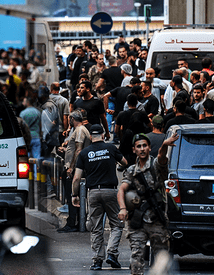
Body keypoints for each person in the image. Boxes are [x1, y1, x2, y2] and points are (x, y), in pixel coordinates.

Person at [117, 132, 178, 275]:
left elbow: (162, 158)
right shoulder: (131, 171)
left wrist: (163, 145)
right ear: (134, 150)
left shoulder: (156, 166)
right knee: (136, 258)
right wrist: (123, 209)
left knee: (161, 260)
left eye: (145, 145)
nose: (142, 149)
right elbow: (121, 190)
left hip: (157, 220)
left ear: (150, 148)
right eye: (139, 146)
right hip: (137, 221)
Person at [72, 124, 128, 270]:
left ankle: (97, 260)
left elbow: (76, 178)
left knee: (96, 228)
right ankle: (112, 253)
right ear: (103, 135)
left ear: (91, 136)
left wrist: (74, 195)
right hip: (110, 191)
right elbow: (125, 162)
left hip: (93, 193)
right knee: (117, 224)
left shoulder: (84, 153)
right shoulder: (111, 148)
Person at [58, 110, 91, 233]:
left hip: (75, 170)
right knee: (73, 196)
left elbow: (78, 150)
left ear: (72, 119)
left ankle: (73, 222)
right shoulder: (80, 130)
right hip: (76, 168)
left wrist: (72, 167)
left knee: (72, 196)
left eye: (70, 119)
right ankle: (76, 221)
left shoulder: (80, 130)